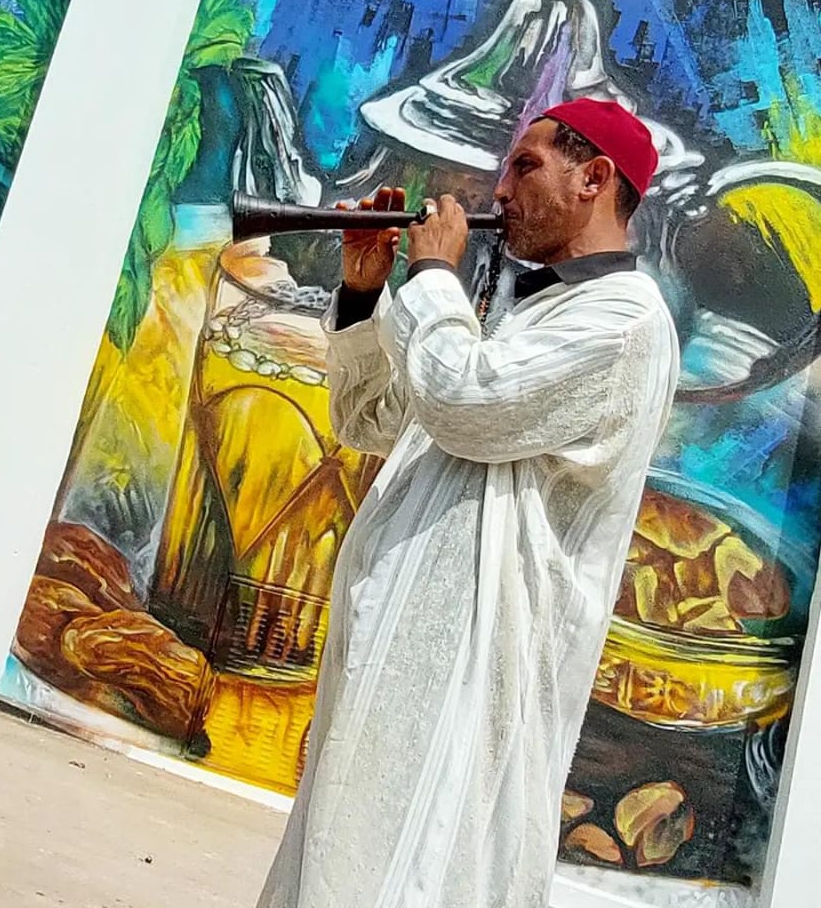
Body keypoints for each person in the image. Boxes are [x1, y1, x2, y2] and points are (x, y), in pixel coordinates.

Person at [256, 98, 680, 908]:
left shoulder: (623, 322)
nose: (502, 189)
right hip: (408, 652)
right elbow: (374, 421)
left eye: (525, 166)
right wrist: (364, 293)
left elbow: (462, 398)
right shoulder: (533, 314)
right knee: (345, 862)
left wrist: (435, 276)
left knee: (413, 875)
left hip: (474, 669)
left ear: (594, 178)